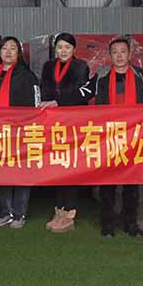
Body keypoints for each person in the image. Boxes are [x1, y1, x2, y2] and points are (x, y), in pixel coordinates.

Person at [83, 37, 143, 238]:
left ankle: (130, 222)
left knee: (132, 183)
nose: (119, 56)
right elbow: (82, 95)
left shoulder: (140, 75)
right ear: (110, 55)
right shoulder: (101, 76)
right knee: (107, 183)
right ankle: (107, 224)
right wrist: (57, 103)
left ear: (129, 54)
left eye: (123, 51)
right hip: (108, 137)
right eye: (115, 52)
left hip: (134, 137)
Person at [39, 32, 90, 233]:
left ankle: (69, 213)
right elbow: (44, 89)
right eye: (60, 47)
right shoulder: (48, 66)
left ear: (74, 49)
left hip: (73, 123)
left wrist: (58, 102)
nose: (63, 51)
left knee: (71, 166)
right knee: (57, 166)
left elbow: (80, 94)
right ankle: (59, 210)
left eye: (67, 47)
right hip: (53, 123)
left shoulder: (81, 66)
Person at [0, 36, 40, 229]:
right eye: (5, 48)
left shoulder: (27, 75)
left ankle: (20, 213)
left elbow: (36, 103)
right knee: (1, 172)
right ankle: (7, 212)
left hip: (21, 131)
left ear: (19, 53)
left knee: (21, 173)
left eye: (13, 48)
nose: (8, 52)